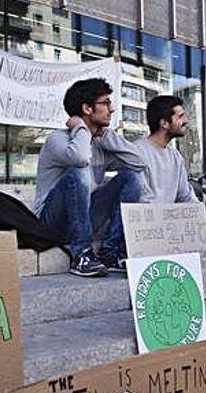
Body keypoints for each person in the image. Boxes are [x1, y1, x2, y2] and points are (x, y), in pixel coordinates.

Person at [34, 78, 146, 277]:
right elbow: (79, 157)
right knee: (78, 172)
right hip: (51, 223)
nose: (111, 110)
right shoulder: (58, 139)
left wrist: (106, 136)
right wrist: (81, 128)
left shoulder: (100, 143)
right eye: (105, 103)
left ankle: (110, 250)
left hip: (84, 218)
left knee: (132, 178)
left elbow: (139, 162)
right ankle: (81, 254)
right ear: (87, 108)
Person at [135, 95, 206, 264]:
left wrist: (200, 221)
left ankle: (201, 249)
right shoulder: (139, 150)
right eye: (181, 116)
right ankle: (202, 251)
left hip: (175, 222)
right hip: (152, 225)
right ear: (164, 123)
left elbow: (185, 195)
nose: (186, 121)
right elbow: (141, 199)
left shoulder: (175, 155)